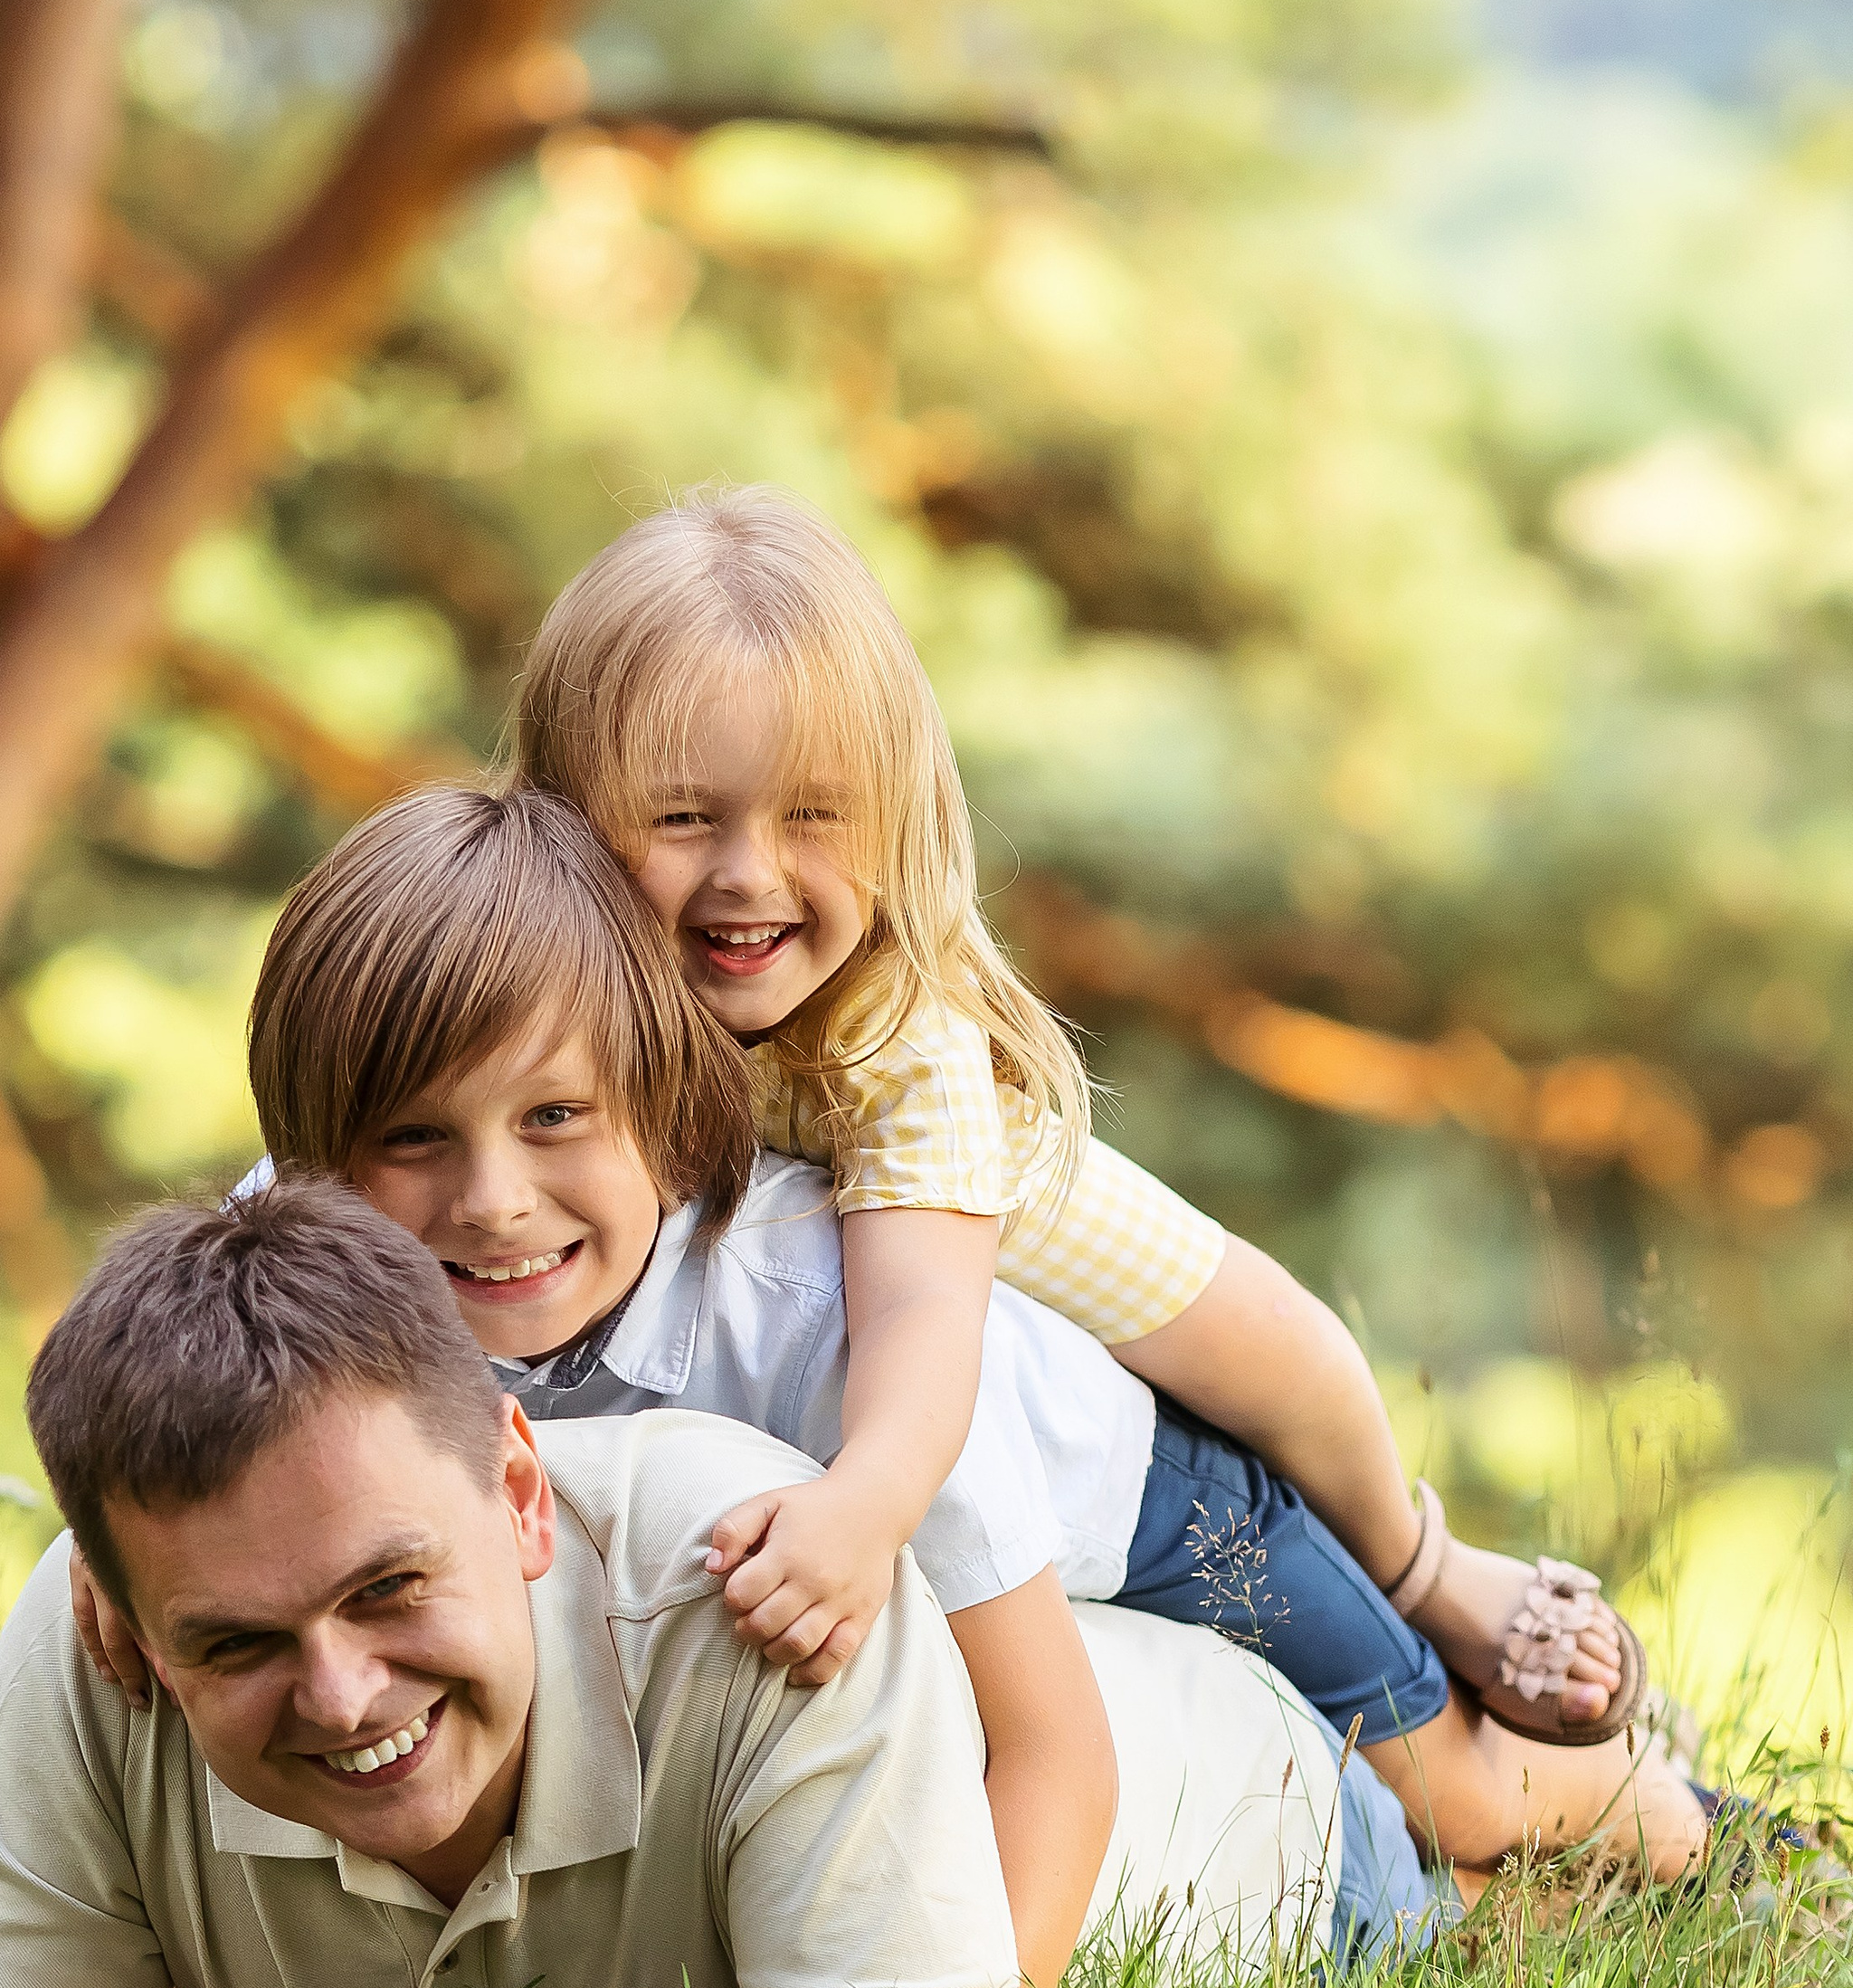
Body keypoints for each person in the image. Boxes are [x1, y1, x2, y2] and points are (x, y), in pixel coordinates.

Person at [184, 785, 1710, 1947]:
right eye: (410, 1143)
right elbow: (186, 1378)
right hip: (954, 1540)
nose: (493, 1203)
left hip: (1156, 1509)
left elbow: (1053, 1741)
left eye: (552, 1123)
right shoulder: (336, 1248)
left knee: (1445, 1785)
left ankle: (1646, 1804)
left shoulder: (813, 1289)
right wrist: (112, 1583)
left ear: (657, 1097)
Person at [506, 485, 1649, 1745]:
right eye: (680, 817)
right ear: (562, 809)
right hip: (979, 1374)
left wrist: (867, 1506)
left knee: (1293, 1361)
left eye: (813, 815)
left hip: (1061, 1266)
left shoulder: (893, 1042)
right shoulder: (554, 1002)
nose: (749, 873)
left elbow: (924, 1316)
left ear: (898, 810)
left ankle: (1430, 1568)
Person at [0, 1181, 1031, 1988]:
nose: (343, 1695)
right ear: (130, 1623)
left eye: (388, 1589)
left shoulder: (766, 1587)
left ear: (519, 1499)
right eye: (237, 1643)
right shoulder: (91, 1645)